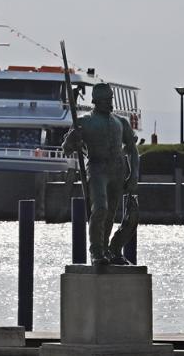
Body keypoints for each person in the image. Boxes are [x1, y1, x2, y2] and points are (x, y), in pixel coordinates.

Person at [62, 83, 140, 266]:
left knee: (111, 213)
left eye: (110, 99)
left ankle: (107, 250)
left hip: (118, 171)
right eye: (105, 100)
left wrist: (134, 175)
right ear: (95, 101)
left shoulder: (121, 122)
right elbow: (66, 149)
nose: (109, 103)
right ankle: (96, 251)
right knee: (101, 209)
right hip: (97, 170)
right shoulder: (84, 121)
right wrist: (73, 138)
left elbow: (132, 150)